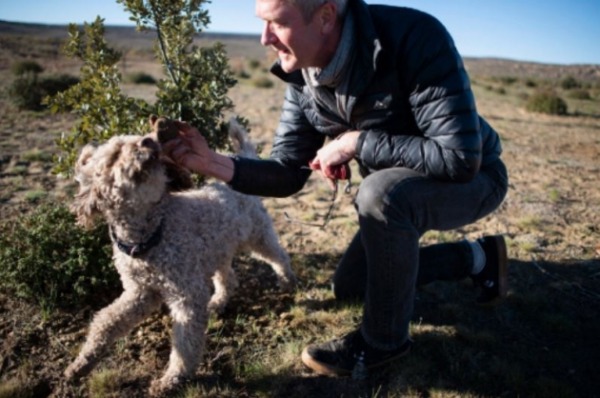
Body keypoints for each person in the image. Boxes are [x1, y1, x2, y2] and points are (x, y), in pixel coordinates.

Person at [167, 0, 509, 377]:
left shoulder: (413, 36)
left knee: (380, 193)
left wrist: (356, 142)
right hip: (399, 190)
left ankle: (383, 343)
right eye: (262, 24)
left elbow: (459, 157)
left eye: (276, 24)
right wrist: (211, 163)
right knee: (350, 286)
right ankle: (478, 258)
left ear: (326, 16)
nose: (264, 38)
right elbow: (287, 171)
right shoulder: (304, 73)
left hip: (475, 179)